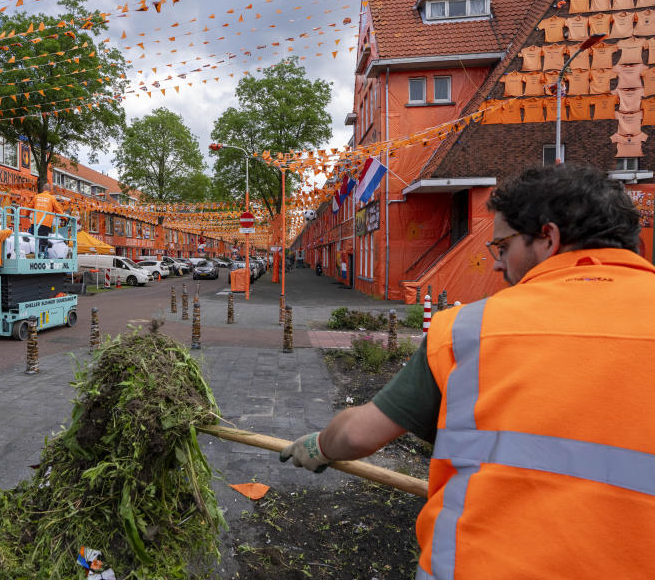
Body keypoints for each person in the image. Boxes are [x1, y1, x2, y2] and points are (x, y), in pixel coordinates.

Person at [279, 164, 655, 579]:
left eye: (503, 246)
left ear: (548, 239)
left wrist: (319, 446)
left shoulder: (470, 330)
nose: (497, 265)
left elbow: (357, 435)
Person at [30, 182, 65, 256]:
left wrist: (26, 215)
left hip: (35, 222)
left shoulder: (36, 196)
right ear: (50, 190)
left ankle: (32, 254)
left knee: (33, 239)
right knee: (42, 240)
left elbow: (29, 208)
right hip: (45, 223)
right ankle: (41, 255)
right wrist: (64, 218)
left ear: (43, 189)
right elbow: (58, 210)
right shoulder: (52, 198)